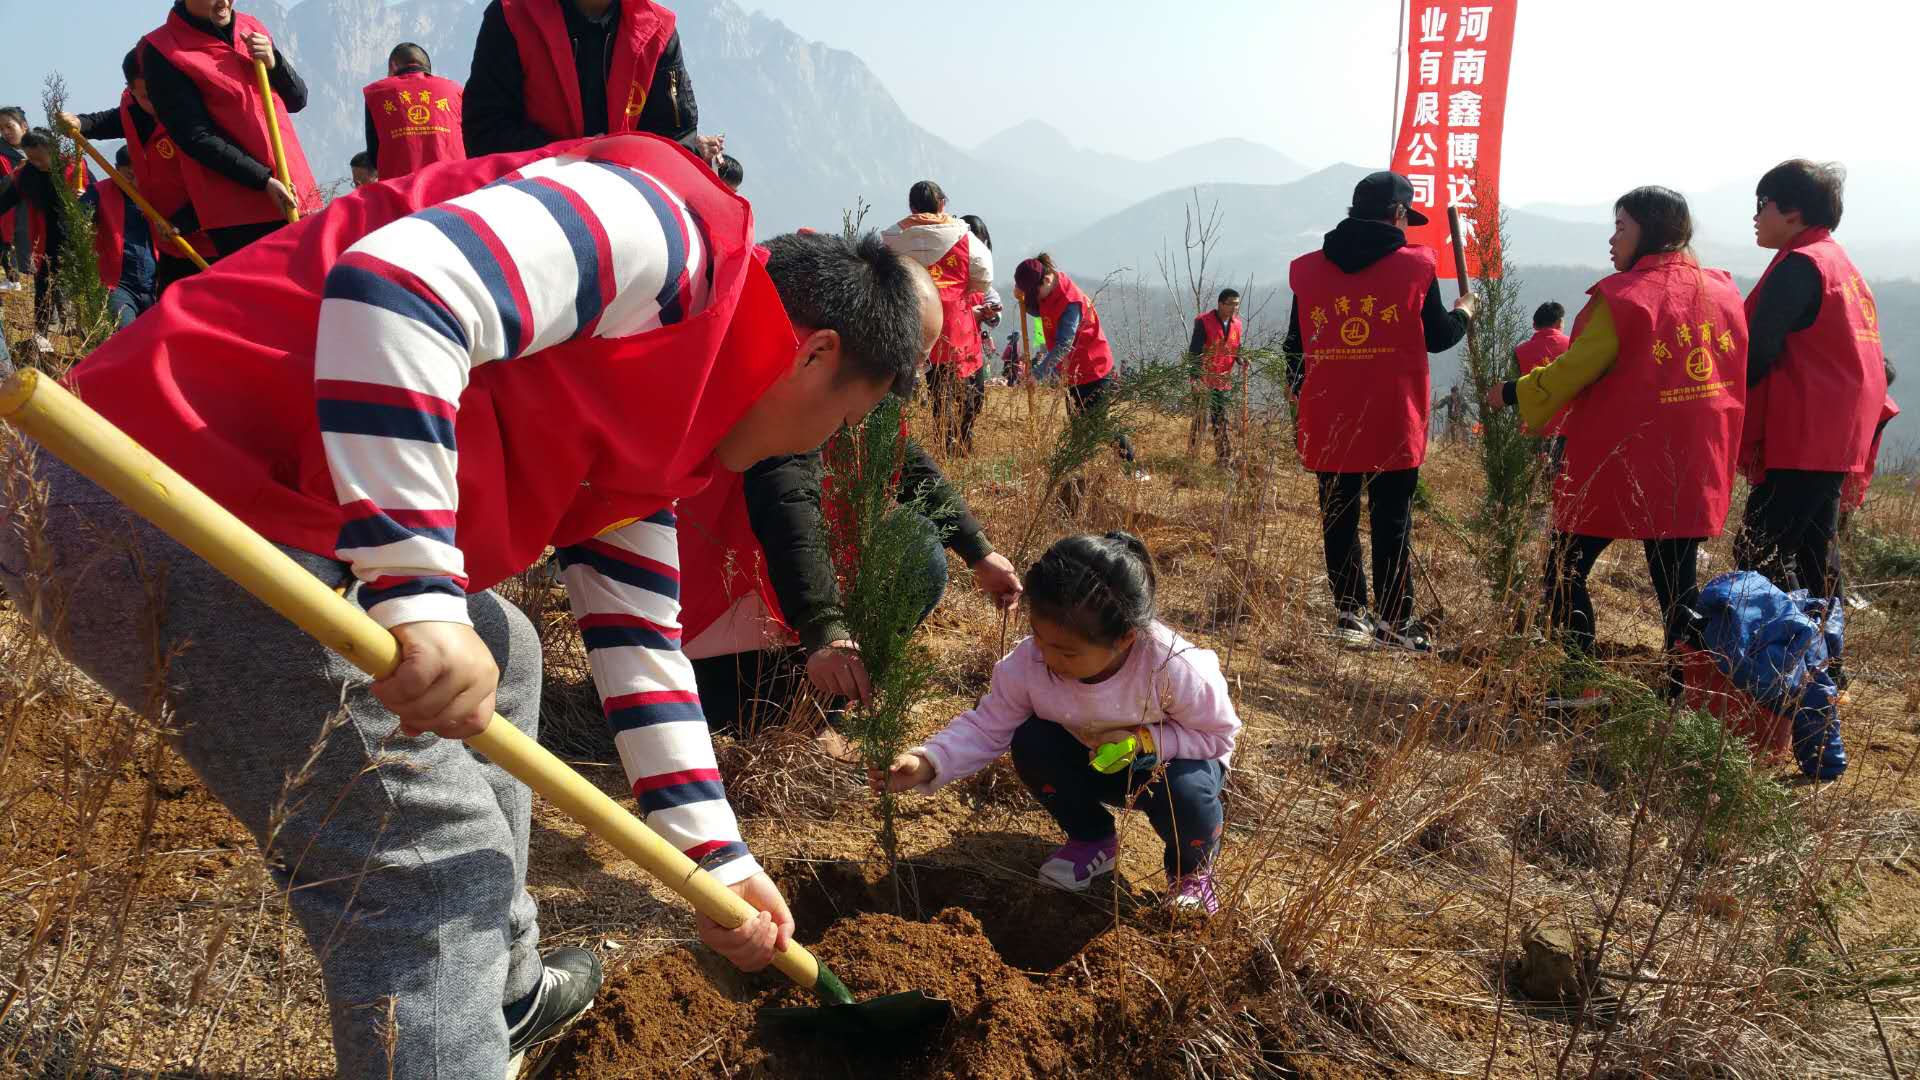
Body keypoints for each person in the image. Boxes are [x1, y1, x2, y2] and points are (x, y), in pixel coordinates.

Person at [0, 133, 929, 1079]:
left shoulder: (679, 420)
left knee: (505, 645)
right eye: (844, 421)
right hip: (157, 490)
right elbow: (398, 287)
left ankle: (501, 996)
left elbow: (641, 640)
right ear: (815, 355)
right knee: (436, 870)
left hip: (250, 506)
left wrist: (715, 858)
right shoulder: (667, 238)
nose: (821, 447)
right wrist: (416, 587)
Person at [874, 533, 1238, 914]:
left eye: (1066, 653)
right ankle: (1092, 840)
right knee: (1031, 740)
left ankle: (1191, 874)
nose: (1048, 658)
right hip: (1091, 763)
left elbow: (1218, 735)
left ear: (1125, 638)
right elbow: (987, 725)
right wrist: (927, 762)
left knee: (1188, 791)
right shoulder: (1029, 663)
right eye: (1039, 639)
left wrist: (1147, 742)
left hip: (1162, 771)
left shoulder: (1172, 667)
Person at [1485, 187, 1747, 662]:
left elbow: (1573, 369)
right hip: (1695, 462)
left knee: (1565, 567)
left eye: (1621, 228)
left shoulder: (1627, 298)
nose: (1612, 240)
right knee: (1677, 586)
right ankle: (1684, 687)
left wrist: (1512, 392)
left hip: (1627, 462)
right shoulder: (1722, 291)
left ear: (1650, 232)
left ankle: (1578, 672)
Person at [677, 419, 1023, 746]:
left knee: (917, 548)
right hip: (729, 623)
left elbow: (895, 448)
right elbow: (788, 498)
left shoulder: (860, 390)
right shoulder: (789, 399)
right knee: (749, 714)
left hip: (803, 615)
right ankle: (803, 715)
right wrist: (823, 626)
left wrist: (977, 550)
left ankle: (826, 701)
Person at [1282, 171, 1474, 652]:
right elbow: (1438, 337)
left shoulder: (1308, 270)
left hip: (1329, 418)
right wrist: (1465, 313)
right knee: (1392, 521)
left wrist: (1308, 399)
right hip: (1393, 416)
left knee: (1338, 516)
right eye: (1407, 218)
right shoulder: (1416, 266)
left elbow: (1293, 348)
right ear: (1397, 213)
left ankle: (1350, 614)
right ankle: (1394, 622)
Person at [1734, 160, 1887, 609]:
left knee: (1758, 548)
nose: (1755, 216)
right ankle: (1822, 647)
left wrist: (1717, 405)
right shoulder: (1840, 264)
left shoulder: (1802, 265)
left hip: (1806, 434)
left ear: (1793, 211)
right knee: (1813, 554)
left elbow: (1758, 350)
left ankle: (1768, 646)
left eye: (1762, 203)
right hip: (1836, 433)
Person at [140, 0, 320, 257]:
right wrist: (263, 180)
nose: (224, 1)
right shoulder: (162, 50)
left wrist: (275, 63)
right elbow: (194, 136)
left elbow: (297, 99)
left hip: (297, 190)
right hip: (240, 213)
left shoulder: (251, 26)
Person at [464, 0, 722, 164]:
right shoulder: (513, 16)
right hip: (530, 205)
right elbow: (485, 132)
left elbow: (678, 141)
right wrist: (572, 155)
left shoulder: (658, 33)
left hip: (623, 213)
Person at [58, 47, 208, 297]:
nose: (157, 102)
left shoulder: (195, 113)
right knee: (170, 306)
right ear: (131, 90)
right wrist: (80, 123)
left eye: (163, 92)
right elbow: (110, 120)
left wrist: (184, 221)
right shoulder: (135, 111)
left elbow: (214, 183)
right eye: (146, 96)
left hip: (210, 234)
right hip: (170, 241)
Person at [1014, 253, 1149, 481]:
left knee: (1099, 424)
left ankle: (1133, 468)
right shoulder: (1046, 289)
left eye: (1032, 293)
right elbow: (1038, 308)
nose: (1032, 299)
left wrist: (1039, 373)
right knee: (1078, 425)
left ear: (1045, 281)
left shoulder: (1070, 302)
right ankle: (1078, 474)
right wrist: (1023, 297)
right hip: (1072, 372)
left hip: (1093, 368)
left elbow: (1064, 345)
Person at [881, 182, 993, 454]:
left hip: (917, 326)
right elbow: (984, 278)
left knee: (938, 392)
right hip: (957, 327)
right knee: (970, 392)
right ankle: (961, 445)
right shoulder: (963, 236)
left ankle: (946, 446)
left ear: (912, 207)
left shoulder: (893, 239)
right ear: (942, 204)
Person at [0, 130, 69, 349]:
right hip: (47, 237)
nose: (37, 163)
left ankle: (73, 327)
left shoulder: (73, 168)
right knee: (44, 283)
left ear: (53, 150)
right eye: (32, 159)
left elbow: (96, 196)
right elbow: (6, 199)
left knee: (68, 284)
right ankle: (41, 335)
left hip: (75, 237)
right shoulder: (27, 174)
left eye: (40, 158)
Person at [81, 146, 159, 330]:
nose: (135, 181)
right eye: (129, 175)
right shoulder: (99, 191)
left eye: (140, 174)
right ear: (116, 169)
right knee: (126, 331)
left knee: (154, 335)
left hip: (155, 282)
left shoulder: (158, 191)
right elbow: (78, 215)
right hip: (118, 283)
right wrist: (81, 208)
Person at [363, 42, 465, 181]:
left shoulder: (377, 93)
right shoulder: (455, 91)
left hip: (401, 188)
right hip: (454, 186)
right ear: (427, 70)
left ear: (393, 66)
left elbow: (374, 155)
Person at [1187, 287, 1242, 467]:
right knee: (1200, 419)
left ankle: (1223, 460)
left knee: (1221, 419)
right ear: (1220, 304)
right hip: (1203, 379)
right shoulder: (1204, 322)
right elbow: (1194, 352)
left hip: (1222, 380)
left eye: (1237, 304)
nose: (1234, 308)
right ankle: (1192, 458)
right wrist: (1195, 378)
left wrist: (1241, 359)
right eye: (1231, 304)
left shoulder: (1237, 324)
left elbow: (1236, 347)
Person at [1515, 301, 1571, 473]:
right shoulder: (1573, 347)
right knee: (1561, 480)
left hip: (1530, 429)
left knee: (1531, 479)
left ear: (1534, 325)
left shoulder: (1519, 352)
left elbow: (1514, 391)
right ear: (1559, 322)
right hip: (1566, 428)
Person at [0, 106, 26, 290]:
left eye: (9, 126)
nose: (5, 132)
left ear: (23, 126)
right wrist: (13, 174)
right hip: (8, 209)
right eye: (1, 129)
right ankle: (12, 278)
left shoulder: (41, 146)